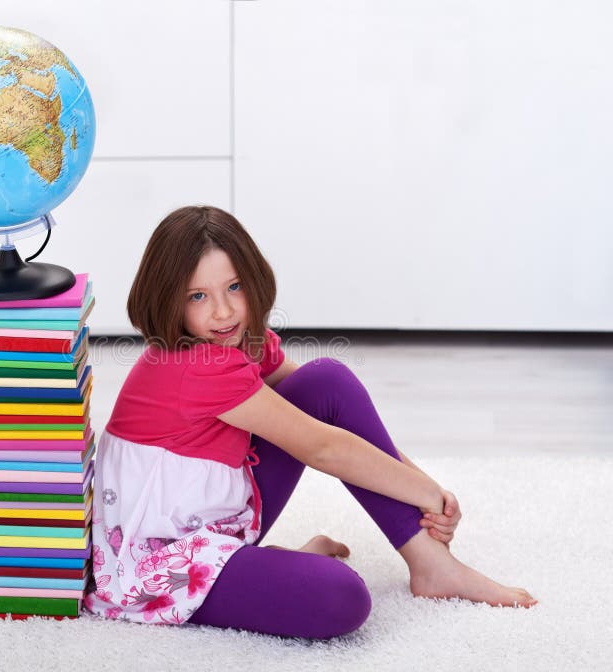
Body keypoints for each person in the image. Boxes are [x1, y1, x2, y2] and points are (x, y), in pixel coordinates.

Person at [82, 205, 537, 638]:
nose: (223, 312)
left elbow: (334, 415)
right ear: (168, 302)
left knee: (327, 382)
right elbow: (321, 448)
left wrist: (423, 489)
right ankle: (262, 566)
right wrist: (427, 495)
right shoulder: (195, 365)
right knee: (340, 597)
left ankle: (430, 562)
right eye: (198, 296)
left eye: (234, 287)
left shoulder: (244, 341)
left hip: (211, 518)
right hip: (157, 561)